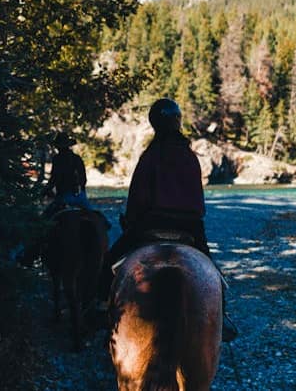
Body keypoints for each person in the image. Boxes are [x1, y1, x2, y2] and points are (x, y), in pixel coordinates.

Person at [102, 98, 239, 342]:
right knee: (211, 271)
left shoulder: (150, 156)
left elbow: (137, 199)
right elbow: (198, 201)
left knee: (109, 262)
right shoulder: (189, 156)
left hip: (151, 224)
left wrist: (133, 220)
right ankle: (222, 318)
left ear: (155, 124)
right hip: (188, 226)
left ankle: (100, 308)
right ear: (177, 122)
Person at [42, 131, 93, 218]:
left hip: (63, 197)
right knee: (93, 216)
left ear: (58, 147)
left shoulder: (57, 159)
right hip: (80, 197)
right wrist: (81, 191)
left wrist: (46, 190)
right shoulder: (77, 158)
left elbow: (54, 178)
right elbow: (83, 179)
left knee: (45, 219)